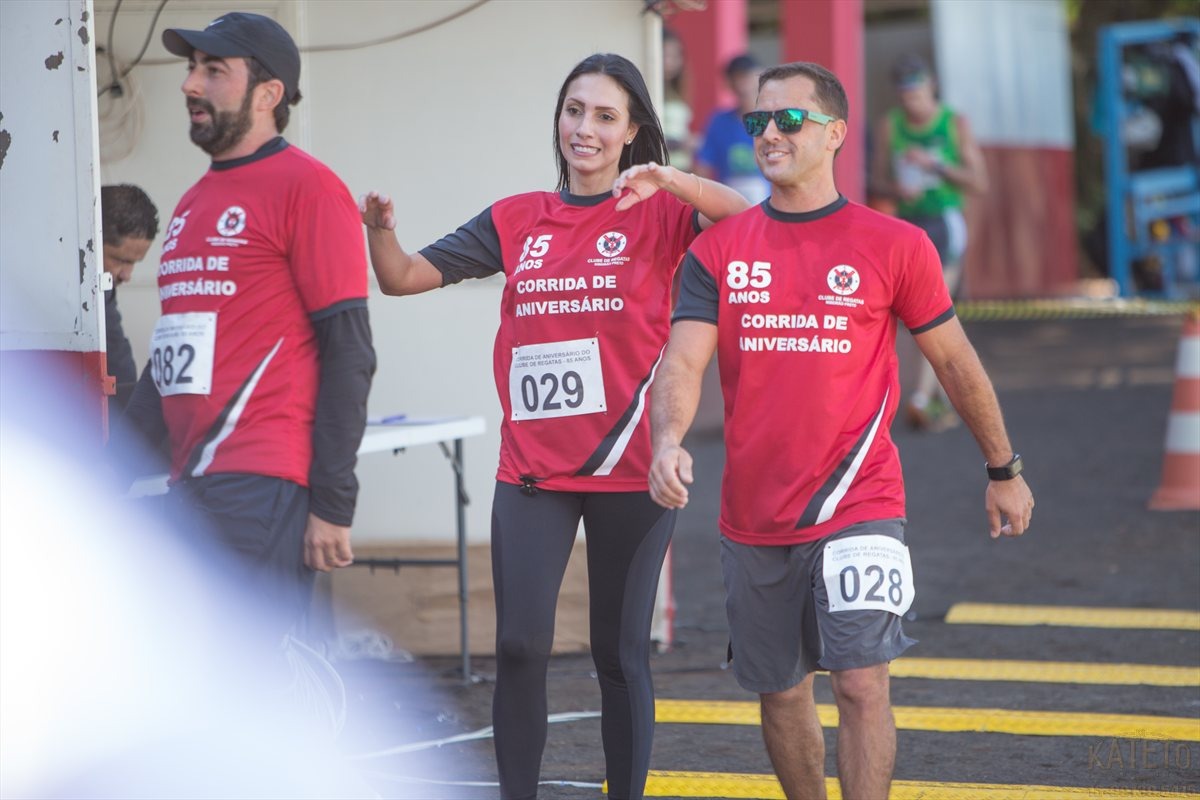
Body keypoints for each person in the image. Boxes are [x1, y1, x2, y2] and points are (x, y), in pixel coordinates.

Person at [360, 53, 748, 800]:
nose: (585, 129)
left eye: (605, 116)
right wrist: (381, 232)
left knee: (619, 652)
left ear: (633, 131)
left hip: (631, 470)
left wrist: (670, 179)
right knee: (517, 646)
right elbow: (403, 277)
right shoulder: (516, 218)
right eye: (575, 110)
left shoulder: (664, 215)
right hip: (533, 472)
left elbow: (750, 219)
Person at [648, 61, 1034, 800]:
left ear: (835, 135)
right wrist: (668, 439)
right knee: (782, 691)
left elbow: (953, 360)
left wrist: (1003, 468)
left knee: (860, 683)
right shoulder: (717, 252)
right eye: (759, 120)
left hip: (862, 502)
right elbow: (683, 362)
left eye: (788, 120)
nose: (769, 133)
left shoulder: (895, 243)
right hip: (753, 515)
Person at [116, 12, 376, 641]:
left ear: (268, 95)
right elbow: (171, 360)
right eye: (191, 68)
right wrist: (107, 472)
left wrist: (332, 505)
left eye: (213, 70)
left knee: (234, 676)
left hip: (263, 480)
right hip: (192, 483)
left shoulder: (308, 189)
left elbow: (350, 353)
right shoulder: (192, 202)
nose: (190, 84)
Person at [869, 53, 988, 432]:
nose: (912, 103)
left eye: (917, 94)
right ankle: (926, 400)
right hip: (907, 226)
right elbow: (875, 182)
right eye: (905, 97)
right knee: (903, 315)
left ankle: (921, 398)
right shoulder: (890, 126)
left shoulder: (954, 124)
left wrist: (935, 165)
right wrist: (895, 188)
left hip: (945, 223)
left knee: (936, 312)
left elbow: (979, 182)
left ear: (931, 86)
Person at [100, 184, 159, 416]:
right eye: (120, 260)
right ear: (90, 239)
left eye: (134, 263)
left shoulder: (103, 288)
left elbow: (119, 363)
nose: (127, 275)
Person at [695, 53, 770, 204]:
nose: (744, 85)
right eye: (738, 78)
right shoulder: (718, 121)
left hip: (770, 203)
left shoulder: (775, 119)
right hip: (729, 202)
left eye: (747, 77)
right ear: (729, 83)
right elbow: (702, 166)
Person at [661, 28, 694, 171]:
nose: (671, 62)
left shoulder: (678, 90)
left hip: (683, 168)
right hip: (660, 168)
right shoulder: (649, 89)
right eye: (666, 55)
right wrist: (677, 143)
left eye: (676, 56)